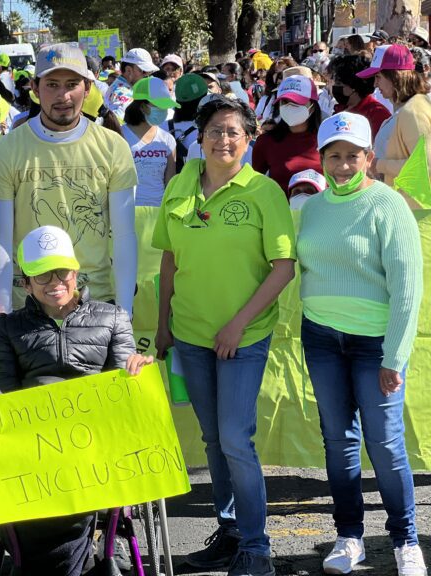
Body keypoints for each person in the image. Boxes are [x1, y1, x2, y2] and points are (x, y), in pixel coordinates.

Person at [153, 96, 296, 576]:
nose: (223, 139)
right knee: (213, 438)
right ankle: (230, 532)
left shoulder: (264, 192)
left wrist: (237, 325)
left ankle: (257, 549)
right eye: (214, 130)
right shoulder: (179, 185)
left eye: (234, 131)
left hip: (244, 336)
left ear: (249, 138)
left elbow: (283, 268)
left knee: (236, 438)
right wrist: (162, 325)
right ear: (199, 136)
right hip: (190, 334)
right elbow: (169, 259)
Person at [0, 225, 154, 576]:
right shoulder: (9, 327)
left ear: (76, 272)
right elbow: (5, 394)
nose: (55, 282)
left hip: (96, 449)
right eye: (42, 275)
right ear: (26, 283)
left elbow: (122, 394)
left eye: (62, 271)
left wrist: (136, 371)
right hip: (37, 451)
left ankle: (84, 553)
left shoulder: (113, 317)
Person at [297, 112, 426, 576]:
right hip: (321, 338)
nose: (343, 165)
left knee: (386, 444)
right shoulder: (312, 208)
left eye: (353, 155)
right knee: (338, 442)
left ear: (369, 157)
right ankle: (349, 536)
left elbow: (408, 288)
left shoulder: (389, 205)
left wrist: (395, 357)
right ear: (322, 158)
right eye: (334, 156)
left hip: (375, 346)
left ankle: (406, 540)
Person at [0, 43, 138, 317]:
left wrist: (125, 313)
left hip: (96, 305)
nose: (63, 95)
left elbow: (125, 235)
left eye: (72, 84)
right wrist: (5, 316)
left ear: (87, 88)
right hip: (28, 308)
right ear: (35, 88)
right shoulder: (6, 149)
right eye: (52, 85)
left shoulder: (113, 146)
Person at [358, 44, 431, 187]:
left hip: (413, 201)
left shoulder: (414, 111)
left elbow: (425, 166)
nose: (375, 84)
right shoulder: (408, 108)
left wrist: (379, 165)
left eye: (378, 77)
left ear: (395, 76)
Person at [252, 75, 323, 196]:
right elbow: (255, 182)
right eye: (284, 102)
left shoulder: (326, 139)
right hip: (280, 207)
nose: (290, 106)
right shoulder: (266, 142)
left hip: (321, 206)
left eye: (296, 102)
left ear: (312, 106)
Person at [121, 77, 179, 206]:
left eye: (165, 106)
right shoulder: (119, 136)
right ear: (142, 106)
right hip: (128, 209)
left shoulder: (168, 140)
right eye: (159, 106)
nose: (164, 111)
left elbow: (170, 182)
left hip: (158, 211)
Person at [329, 54, 391, 141]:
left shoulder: (377, 114)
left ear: (353, 86)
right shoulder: (340, 108)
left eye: (339, 83)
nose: (334, 87)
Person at [106, 48, 159, 121]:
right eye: (144, 71)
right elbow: (115, 123)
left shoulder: (121, 86)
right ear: (128, 70)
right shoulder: (124, 94)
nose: (148, 75)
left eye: (150, 72)